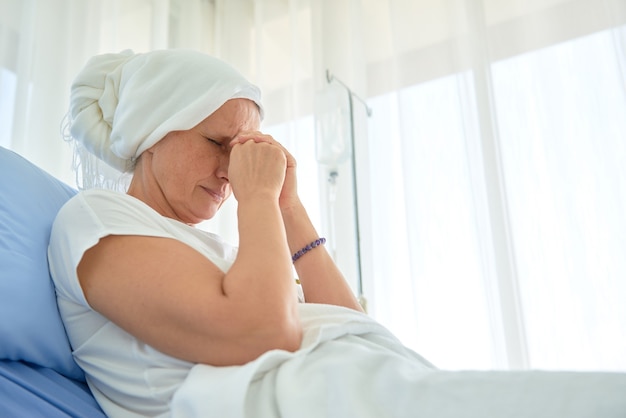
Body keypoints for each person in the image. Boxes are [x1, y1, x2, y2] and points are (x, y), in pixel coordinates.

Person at [49, 50, 626, 418]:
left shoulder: (217, 251)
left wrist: (289, 207)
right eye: (216, 144)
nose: (231, 169)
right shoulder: (97, 217)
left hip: (350, 384)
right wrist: (255, 199)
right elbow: (262, 330)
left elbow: (356, 326)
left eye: (246, 149)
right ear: (153, 133)